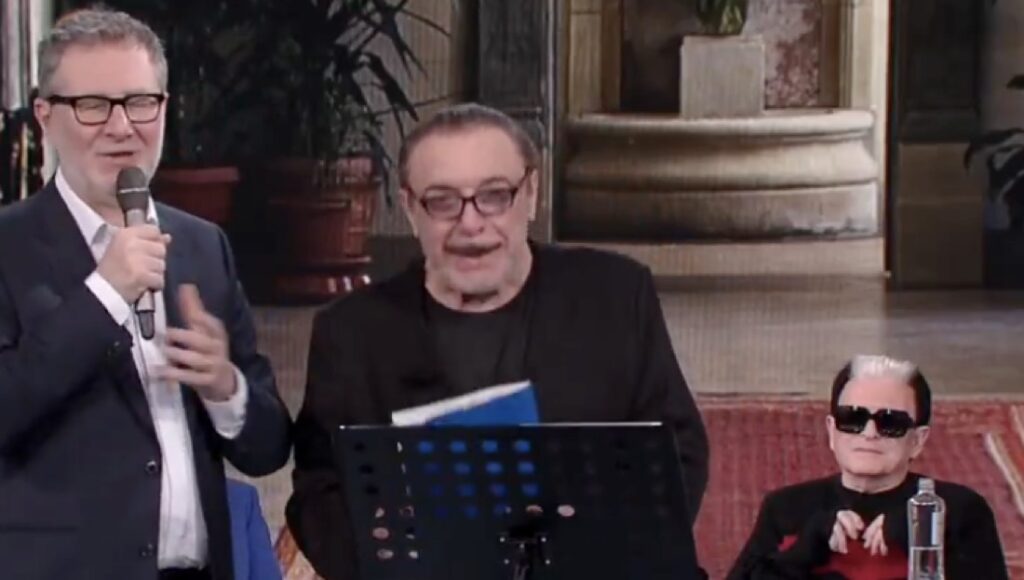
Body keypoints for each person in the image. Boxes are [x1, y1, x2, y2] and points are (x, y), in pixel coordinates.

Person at [286, 102, 709, 579]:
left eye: (494, 196)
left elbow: (679, 454)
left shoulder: (614, 295)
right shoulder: (351, 331)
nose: (470, 224)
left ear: (531, 194)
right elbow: (318, 491)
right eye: (442, 201)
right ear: (409, 209)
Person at [0, 9, 291, 580]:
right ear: (45, 117)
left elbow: (268, 449)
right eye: (92, 105)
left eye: (140, 103)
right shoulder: (9, 247)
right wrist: (105, 294)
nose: (121, 127)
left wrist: (225, 388)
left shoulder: (203, 245)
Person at [727, 355, 1008, 580]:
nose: (869, 433)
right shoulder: (786, 508)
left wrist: (922, 538)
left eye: (891, 423)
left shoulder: (956, 510)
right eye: (852, 418)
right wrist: (801, 551)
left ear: (918, 440)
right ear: (832, 431)